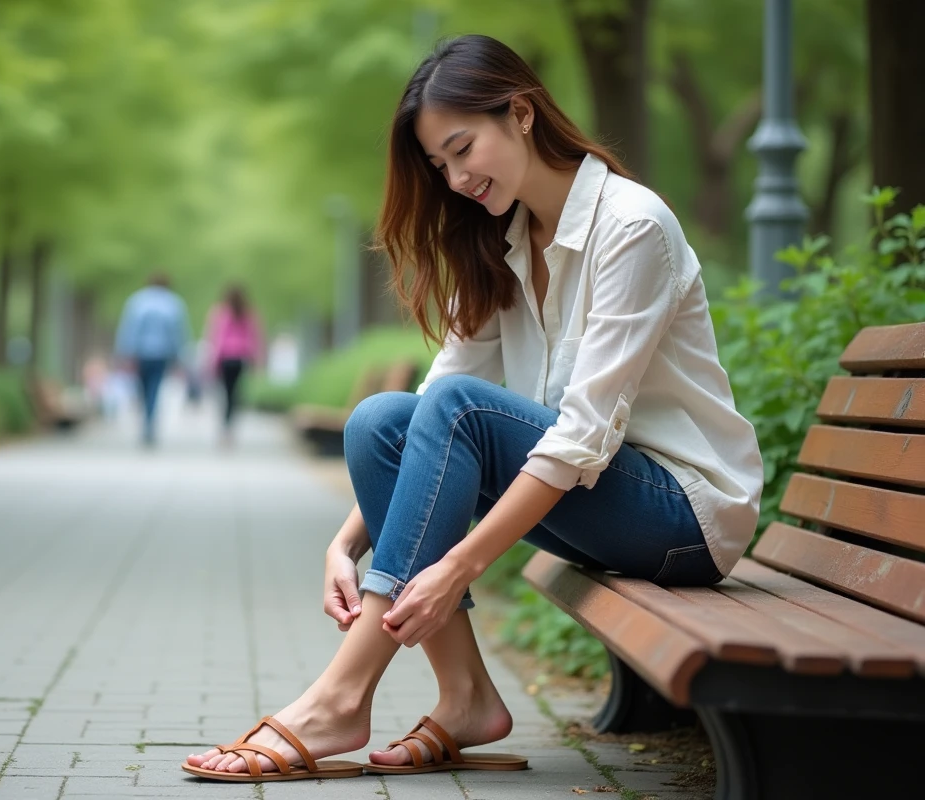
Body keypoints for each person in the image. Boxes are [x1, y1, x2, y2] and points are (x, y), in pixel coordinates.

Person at [182, 35, 762, 783]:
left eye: (463, 149)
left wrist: (458, 566)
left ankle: (340, 695)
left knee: (454, 408)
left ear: (520, 113)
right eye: (440, 165)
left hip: (685, 516)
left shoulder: (632, 225)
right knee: (378, 421)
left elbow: (581, 437)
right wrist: (345, 544)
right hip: (600, 499)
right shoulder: (502, 241)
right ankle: (465, 698)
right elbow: (426, 411)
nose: (456, 179)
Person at [115, 273, 190, 446]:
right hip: (161, 354)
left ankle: (146, 420)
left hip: (140, 353)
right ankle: (149, 421)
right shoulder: (173, 303)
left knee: (142, 387)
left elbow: (129, 329)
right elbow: (178, 332)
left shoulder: (137, 301)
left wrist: (124, 352)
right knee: (154, 388)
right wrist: (179, 354)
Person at [204, 285, 265, 446]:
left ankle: (226, 427)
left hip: (225, 359)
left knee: (226, 394)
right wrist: (255, 360)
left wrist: (213, 361)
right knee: (235, 394)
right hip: (240, 359)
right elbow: (254, 338)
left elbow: (217, 339)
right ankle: (229, 427)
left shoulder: (220, 312)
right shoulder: (248, 313)